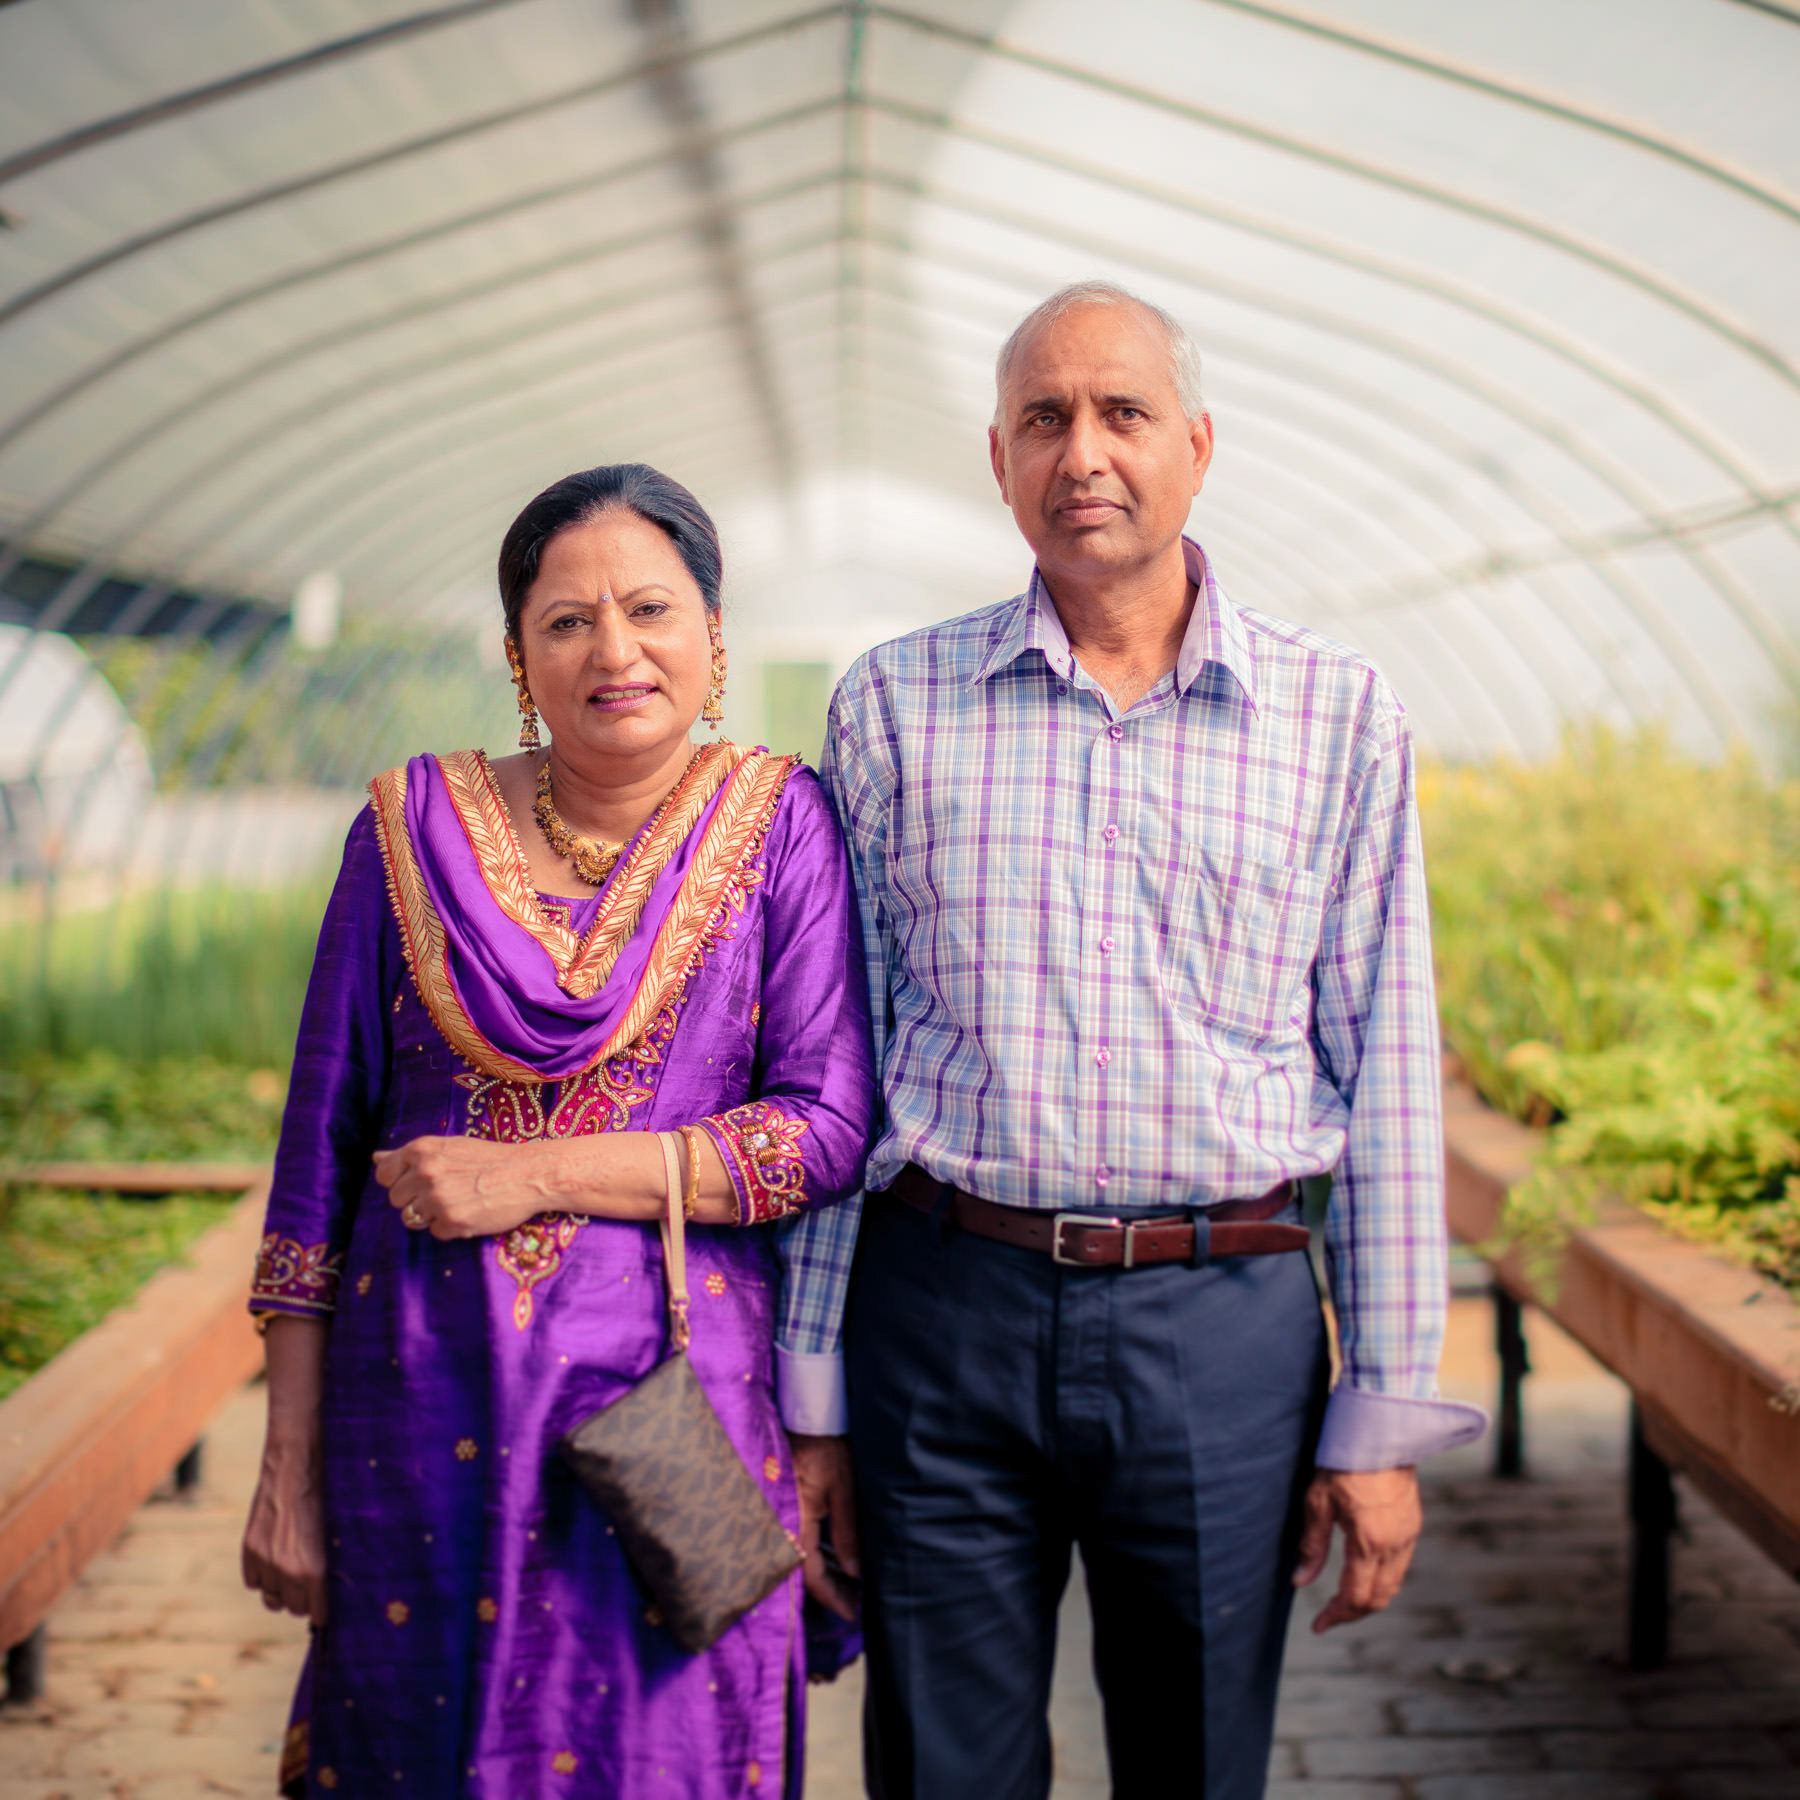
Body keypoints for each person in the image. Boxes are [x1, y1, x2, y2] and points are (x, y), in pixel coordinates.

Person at [776, 283, 1487, 1799]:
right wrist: (813, 1395)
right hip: (941, 1313)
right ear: (998, 459)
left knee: (1196, 1763)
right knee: (940, 1772)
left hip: (1219, 1328)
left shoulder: (1338, 715)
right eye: (1045, 419)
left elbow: (1390, 1077)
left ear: (1199, 446)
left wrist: (1379, 1419)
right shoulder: (894, 707)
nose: (1082, 452)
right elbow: (842, 1068)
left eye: (1122, 413)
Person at [240, 463, 875, 1799]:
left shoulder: (783, 827)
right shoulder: (406, 831)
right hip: (415, 1410)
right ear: (520, 653)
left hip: (675, 1421)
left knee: (669, 1757)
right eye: (568, 620)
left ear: (712, 637)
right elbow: (314, 1173)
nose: (615, 650)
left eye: (651, 610)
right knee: (420, 1756)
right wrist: (287, 1471)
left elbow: (821, 1131)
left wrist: (530, 1175)